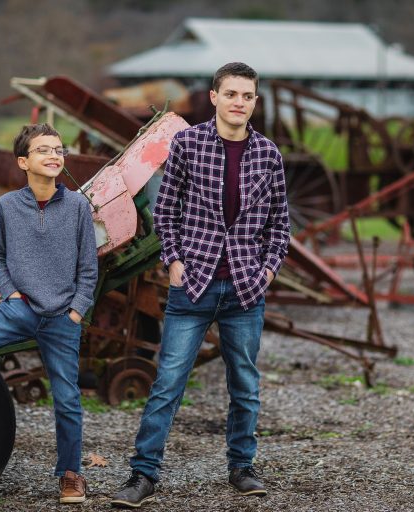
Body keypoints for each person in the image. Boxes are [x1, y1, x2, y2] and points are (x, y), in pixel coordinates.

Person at [111, 62, 290, 509]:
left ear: (254, 102)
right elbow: (165, 211)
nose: (239, 103)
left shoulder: (269, 155)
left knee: (244, 384)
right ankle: (143, 474)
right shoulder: (187, 144)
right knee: (168, 382)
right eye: (231, 94)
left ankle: (242, 467)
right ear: (214, 97)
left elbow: (280, 226)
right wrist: (173, 260)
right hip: (193, 286)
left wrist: (267, 270)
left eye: (247, 96)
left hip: (246, 289)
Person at [0, 123, 98, 504]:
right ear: (23, 161)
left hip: (61, 319)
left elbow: (89, 268)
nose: (55, 155)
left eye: (58, 149)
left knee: (67, 398)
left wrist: (75, 311)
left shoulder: (78, 206)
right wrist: (12, 295)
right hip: (17, 310)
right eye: (44, 150)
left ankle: (70, 475)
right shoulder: (7, 206)